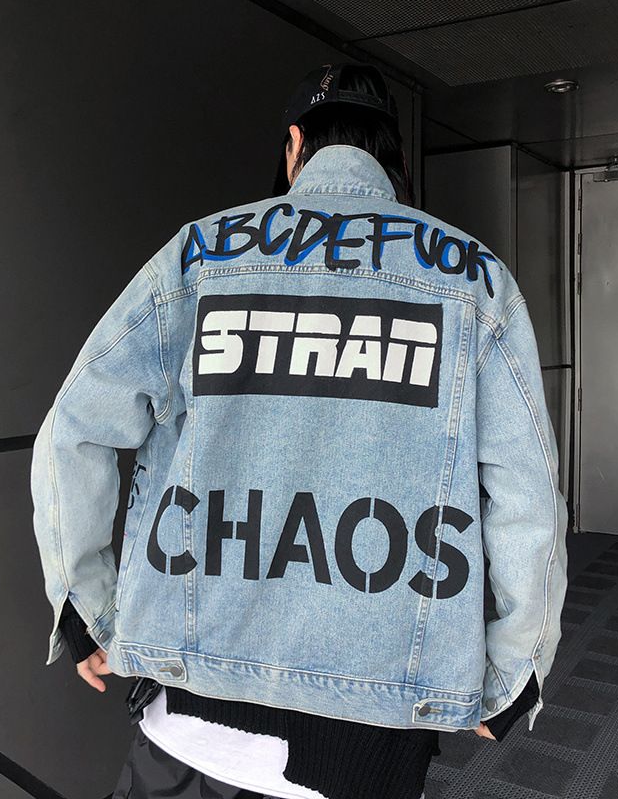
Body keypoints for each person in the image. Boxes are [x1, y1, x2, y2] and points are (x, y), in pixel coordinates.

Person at [30, 62, 567, 799]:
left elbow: (75, 429)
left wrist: (85, 608)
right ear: (394, 160)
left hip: (189, 729)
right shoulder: (473, 279)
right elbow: (527, 494)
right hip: (370, 750)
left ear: (294, 145)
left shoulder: (198, 256)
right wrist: (515, 669)